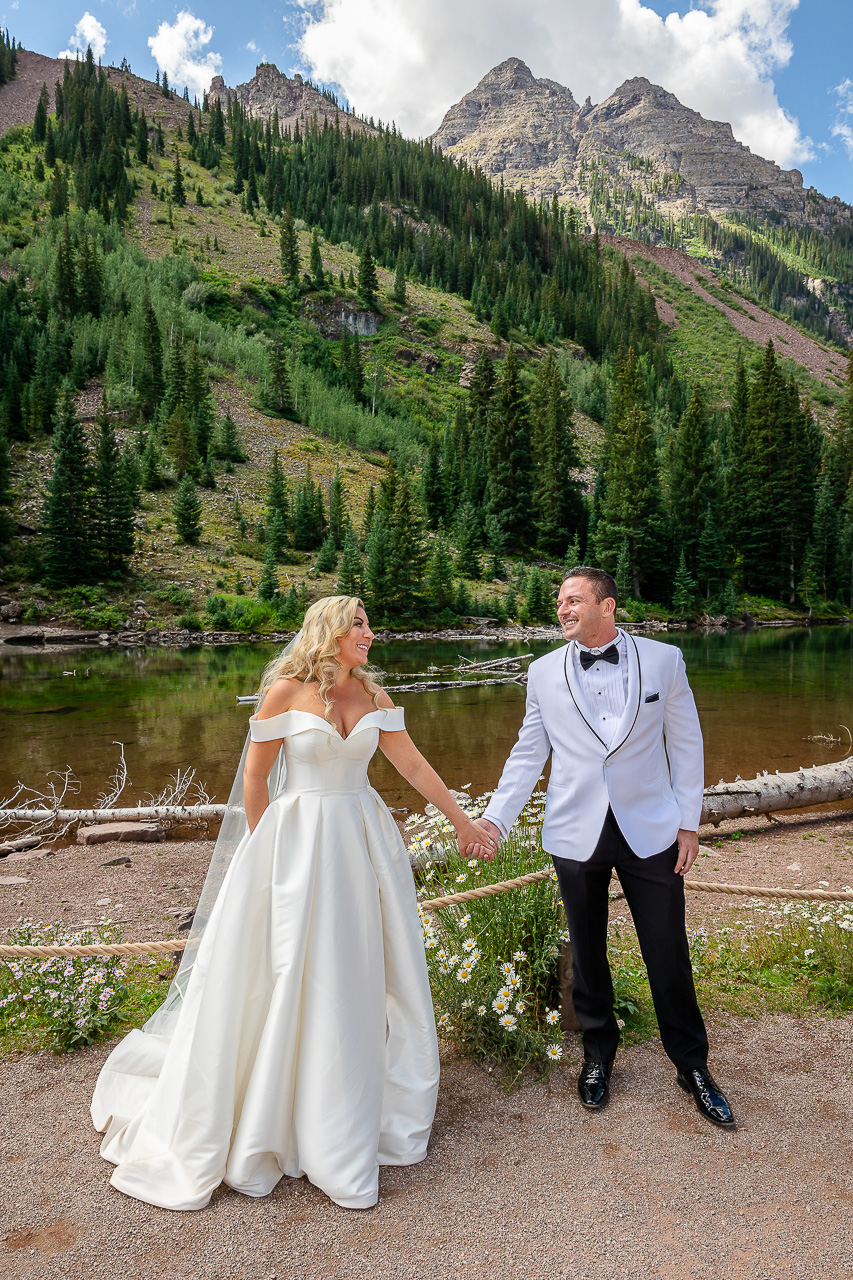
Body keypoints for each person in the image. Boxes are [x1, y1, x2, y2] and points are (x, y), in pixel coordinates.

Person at [91, 596, 494, 1211]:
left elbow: (412, 764)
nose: (369, 632)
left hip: (360, 843)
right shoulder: (285, 691)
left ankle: (342, 1110)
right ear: (329, 633)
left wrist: (464, 823)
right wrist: (265, 847)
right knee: (281, 971)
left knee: (355, 971)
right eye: (357, 623)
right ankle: (268, 1112)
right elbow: (257, 776)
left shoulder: (375, 698)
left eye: (367, 622)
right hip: (296, 844)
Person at [474, 566, 735, 1129]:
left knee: (667, 949)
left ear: (607, 605)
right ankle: (598, 1052)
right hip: (576, 830)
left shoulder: (664, 660)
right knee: (587, 952)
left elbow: (686, 742)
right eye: (560, 602)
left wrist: (688, 823)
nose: (562, 609)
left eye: (573, 600)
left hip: (652, 830)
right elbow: (527, 754)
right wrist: (495, 819)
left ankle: (692, 1065)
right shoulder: (542, 672)